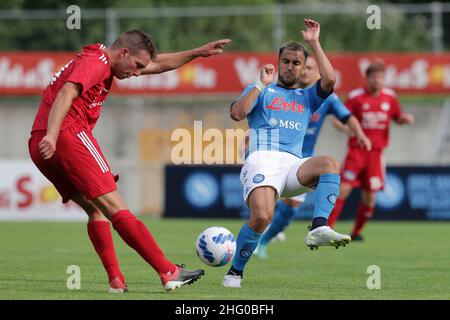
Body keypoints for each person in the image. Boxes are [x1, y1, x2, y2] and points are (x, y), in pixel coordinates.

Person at [28, 29, 231, 293]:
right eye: (136, 66)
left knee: (96, 209)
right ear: (123, 52)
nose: (137, 73)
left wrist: (196, 52)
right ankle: (169, 271)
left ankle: (116, 280)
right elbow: (66, 93)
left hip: (39, 142)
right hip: (66, 135)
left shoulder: (103, 60)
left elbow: (157, 64)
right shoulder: (97, 62)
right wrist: (54, 136)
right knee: (116, 206)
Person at [224, 19, 350, 289]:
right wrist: (259, 84)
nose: (291, 66)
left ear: (304, 67)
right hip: (261, 159)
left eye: (296, 63)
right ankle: (235, 272)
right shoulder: (263, 90)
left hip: (293, 165)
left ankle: (317, 228)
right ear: (278, 62)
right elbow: (237, 114)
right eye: (286, 61)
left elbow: (330, 79)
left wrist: (314, 42)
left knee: (330, 163)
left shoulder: (307, 97)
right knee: (261, 218)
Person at [254, 55, 371, 258]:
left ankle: (263, 242)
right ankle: (252, 241)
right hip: (272, 157)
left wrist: (360, 134)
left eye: (310, 67)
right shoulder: (281, 92)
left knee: (291, 209)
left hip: (302, 161)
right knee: (264, 208)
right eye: (303, 67)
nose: (305, 71)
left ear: (317, 70)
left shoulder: (323, 98)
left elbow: (347, 116)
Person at [327, 60, 414, 240]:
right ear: (367, 78)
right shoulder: (356, 97)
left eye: (381, 77)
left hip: (376, 154)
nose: (377, 81)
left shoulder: (390, 97)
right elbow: (338, 119)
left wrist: (404, 119)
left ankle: (357, 232)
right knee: (343, 189)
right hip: (356, 152)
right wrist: (349, 130)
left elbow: (396, 117)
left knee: (370, 199)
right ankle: (326, 228)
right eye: (374, 77)